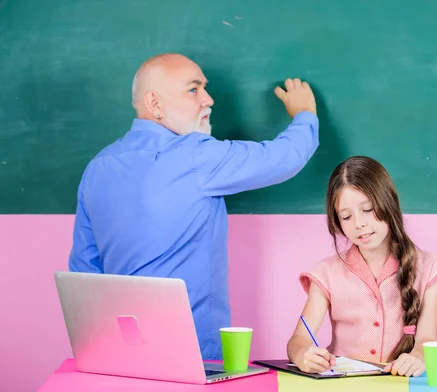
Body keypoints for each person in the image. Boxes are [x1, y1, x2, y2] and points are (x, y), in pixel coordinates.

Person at [68, 53, 320, 360]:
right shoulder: (195, 156)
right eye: (193, 89)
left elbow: (84, 271)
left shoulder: (98, 168)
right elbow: (284, 157)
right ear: (155, 103)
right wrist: (305, 113)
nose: (209, 99)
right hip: (192, 353)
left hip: (118, 351)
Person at [286, 156, 437, 377]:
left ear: (388, 202)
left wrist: (418, 357)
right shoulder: (326, 273)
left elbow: (426, 340)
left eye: (367, 209)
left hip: (400, 385)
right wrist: (303, 355)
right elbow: (299, 339)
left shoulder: (430, 268)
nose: (359, 224)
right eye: (346, 216)